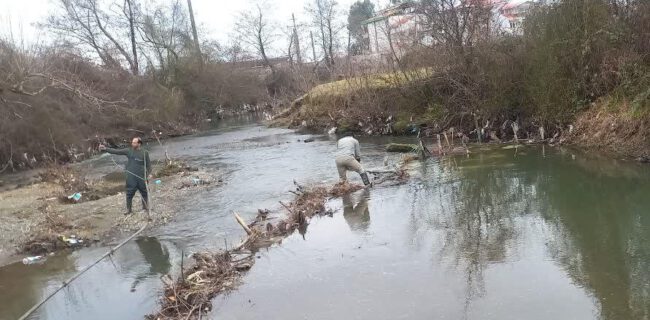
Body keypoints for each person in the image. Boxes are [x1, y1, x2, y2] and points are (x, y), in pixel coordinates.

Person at [99, 137, 152, 215]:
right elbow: (116, 151)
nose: (132, 144)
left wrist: (149, 174)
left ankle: (145, 207)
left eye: (134, 143)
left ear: (139, 144)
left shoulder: (145, 153)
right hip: (131, 177)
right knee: (129, 193)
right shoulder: (128, 151)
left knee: (144, 192)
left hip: (142, 177)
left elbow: (148, 165)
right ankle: (129, 210)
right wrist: (105, 149)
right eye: (132, 142)